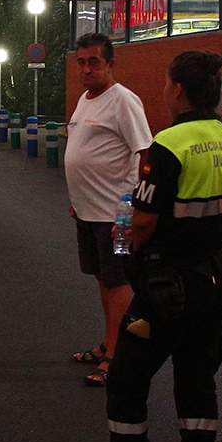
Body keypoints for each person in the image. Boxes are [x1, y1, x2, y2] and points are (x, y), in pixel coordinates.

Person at [67, 50, 222, 442]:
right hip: (213, 278)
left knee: (126, 381)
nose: (163, 91)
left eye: (166, 84)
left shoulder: (169, 145)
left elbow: (141, 221)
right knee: (196, 384)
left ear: (178, 90)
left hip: (168, 284)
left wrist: (124, 247)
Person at [63, 32, 152, 386]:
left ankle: (117, 356)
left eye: (93, 62)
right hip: (88, 212)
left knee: (118, 283)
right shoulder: (86, 99)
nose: (86, 69)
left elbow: (143, 153)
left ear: (110, 63)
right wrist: (77, 198)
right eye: (81, 62)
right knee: (103, 278)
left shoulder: (124, 101)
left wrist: (130, 208)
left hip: (114, 215)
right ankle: (108, 342)